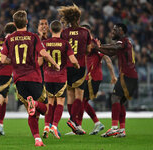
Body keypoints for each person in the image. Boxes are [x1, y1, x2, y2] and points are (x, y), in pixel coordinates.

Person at [1, 10, 60, 146]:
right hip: (34, 78)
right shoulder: (33, 37)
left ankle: (37, 139)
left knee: (31, 111)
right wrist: (55, 64)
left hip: (19, 80)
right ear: (27, 22)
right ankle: (35, 104)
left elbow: (3, 59)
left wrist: (15, 61)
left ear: (14, 23)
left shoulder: (9, 39)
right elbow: (44, 54)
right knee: (45, 109)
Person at [95, 23, 138, 137]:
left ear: (121, 31)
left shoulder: (123, 41)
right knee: (120, 102)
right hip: (130, 76)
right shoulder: (124, 43)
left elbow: (115, 47)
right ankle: (122, 130)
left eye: (115, 30)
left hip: (127, 75)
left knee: (115, 98)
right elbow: (111, 52)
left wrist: (98, 46)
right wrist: (99, 48)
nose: (112, 32)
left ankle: (114, 127)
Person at [75, 24, 117, 135]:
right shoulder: (86, 43)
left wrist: (113, 75)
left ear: (89, 31)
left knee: (82, 101)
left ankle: (79, 126)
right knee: (83, 101)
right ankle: (94, 124)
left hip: (93, 78)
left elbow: (107, 58)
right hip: (89, 77)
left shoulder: (93, 44)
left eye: (84, 31)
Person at [42, 20, 79, 139]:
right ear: (62, 30)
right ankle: (55, 126)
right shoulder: (65, 43)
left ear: (50, 30)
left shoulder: (45, 43)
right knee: (60, 102)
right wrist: (77, 65)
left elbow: (40, 61)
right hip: (60, 77)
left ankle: (47, 125)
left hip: (47, 76)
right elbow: (73, 60)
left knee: (50, 102)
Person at [58, 4, 91, 134]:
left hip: (67, 67)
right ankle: (73, 120)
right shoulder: (85, 32)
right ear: (78, 18)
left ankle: (75, 126)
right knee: (79, 96)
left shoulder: (64, 33)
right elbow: (88, 50)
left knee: (70, 96)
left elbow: (61, 50)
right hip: (80, 66)